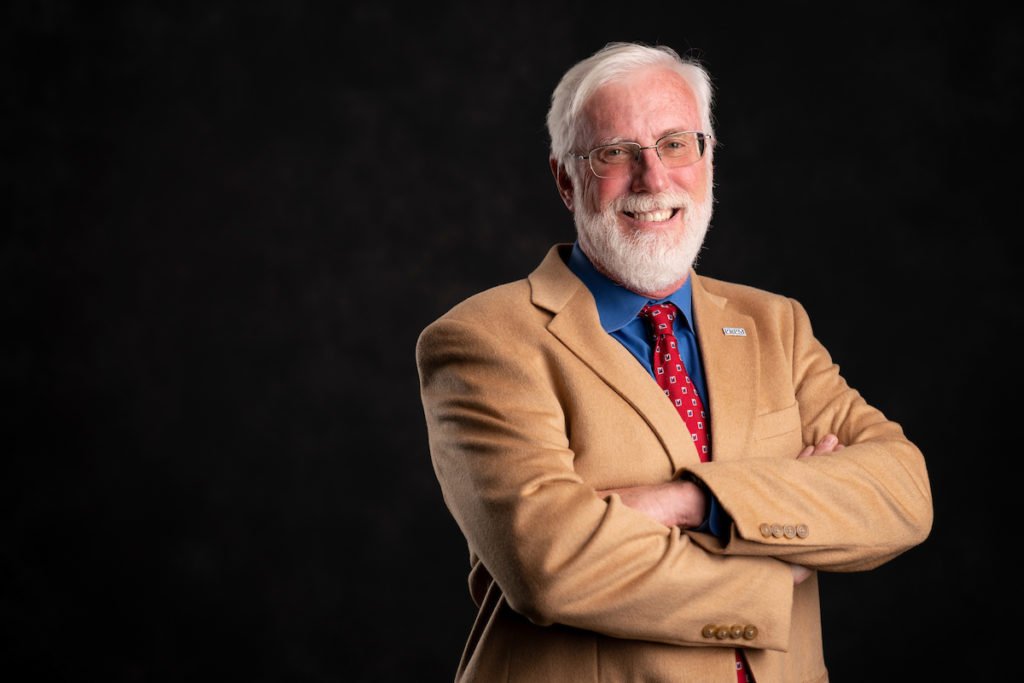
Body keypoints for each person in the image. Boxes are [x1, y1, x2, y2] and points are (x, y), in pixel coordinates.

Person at [415, 41, 932, 683]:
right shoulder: (484, 340)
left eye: (676, 145)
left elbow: (903, 494)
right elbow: (547, 564)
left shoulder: (776, 325)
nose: (653, 179)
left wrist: (693, 502)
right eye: (614, 153)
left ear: (708, 158)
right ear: (564, 178)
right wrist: (778, 563)